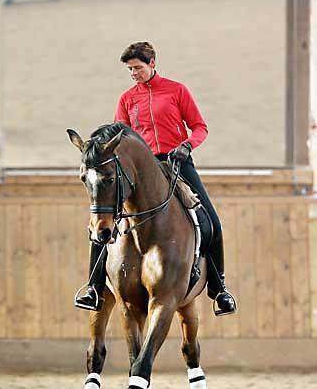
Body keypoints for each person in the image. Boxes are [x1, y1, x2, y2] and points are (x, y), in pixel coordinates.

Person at [74, 41, 237, 317]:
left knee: (211, 220)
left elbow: (200, 127)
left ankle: (219, 289)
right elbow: (120, 139)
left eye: (137, 68)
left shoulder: (176, 91)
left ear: (152, 64)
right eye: (130, 69)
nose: (133, 73)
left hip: (177, 162)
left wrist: (187, 145)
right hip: (141, 171)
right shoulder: (127, 99)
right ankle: (94, 286)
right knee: (104, 220)